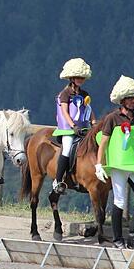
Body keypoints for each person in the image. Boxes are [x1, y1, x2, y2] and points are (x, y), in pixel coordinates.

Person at [95, 75, 134, 250]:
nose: (133, 101)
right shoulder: (112, 119)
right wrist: (99, 164)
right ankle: (117, 239)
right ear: (122, 100)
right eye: (130, 98)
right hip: (119, 166)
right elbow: (104, 142)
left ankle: (133, 237)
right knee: (120, 201)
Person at [51, 58, 96, 194]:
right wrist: (73, 126)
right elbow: (65, 111)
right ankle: (58, 180)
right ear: (71, 78)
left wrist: (94, 123)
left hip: (84, 129)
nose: (80, 79)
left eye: (82, 77)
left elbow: (89, 109)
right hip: (68, 129)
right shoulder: (65, 93)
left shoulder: (84, 94)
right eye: (77, 77)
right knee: (67, 149)